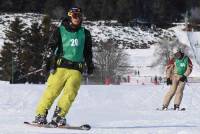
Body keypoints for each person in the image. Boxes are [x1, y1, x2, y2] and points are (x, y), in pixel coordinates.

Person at [33, 6, 94, 127]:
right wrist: (47, 62)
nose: (77, 18)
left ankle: (59, 116)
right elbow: (51, 47)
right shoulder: (60, 30)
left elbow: (88, 51)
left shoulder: (85, 33)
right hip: (61, 67)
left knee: (70, 93)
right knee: (52, 91)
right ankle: (40, 115)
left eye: (80, 16)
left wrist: (90, 65)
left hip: (77, 68)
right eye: (75, 16)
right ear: (70, 16)